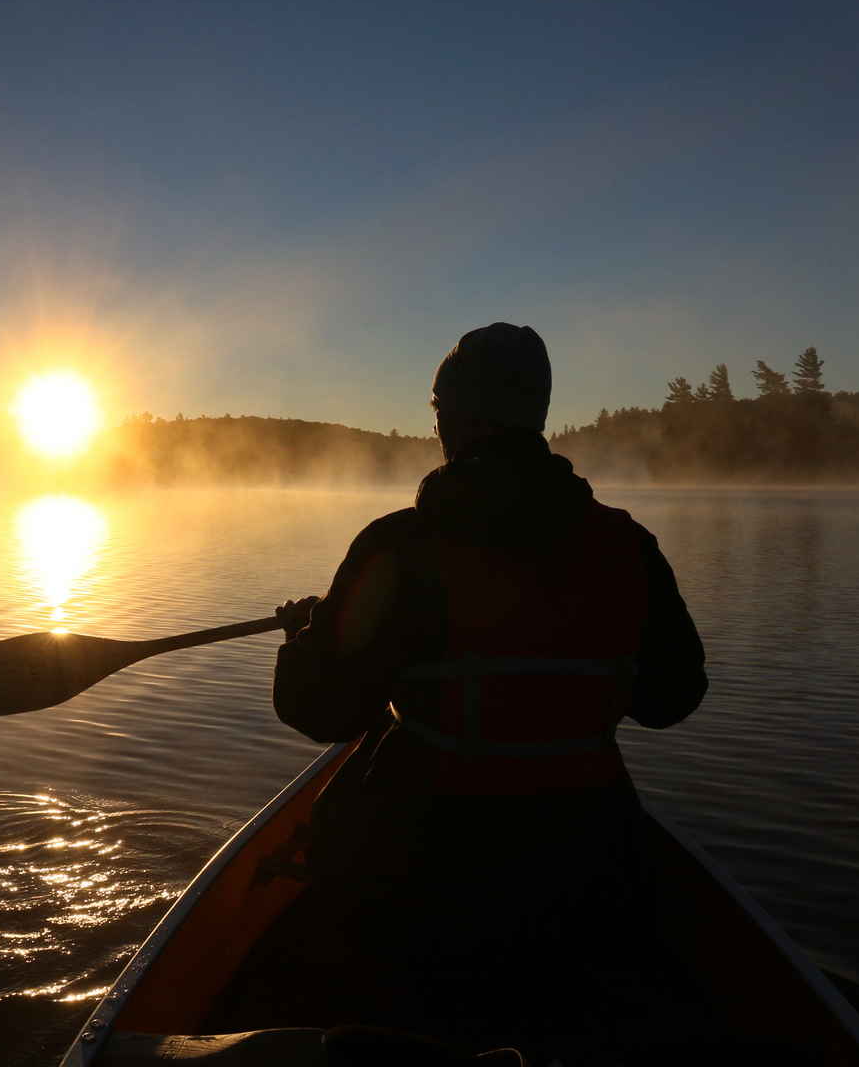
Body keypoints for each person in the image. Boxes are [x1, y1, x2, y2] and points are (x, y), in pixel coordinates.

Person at [271, 323, 709, 1065]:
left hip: (427, 885)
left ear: (464, 417)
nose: (435, 424)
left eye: (439, 408)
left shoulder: (399, 547)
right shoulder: (627, 546)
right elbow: (672, 697)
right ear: (533, 417)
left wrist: (305, 639)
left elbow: (319, 711)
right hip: (593, 877)